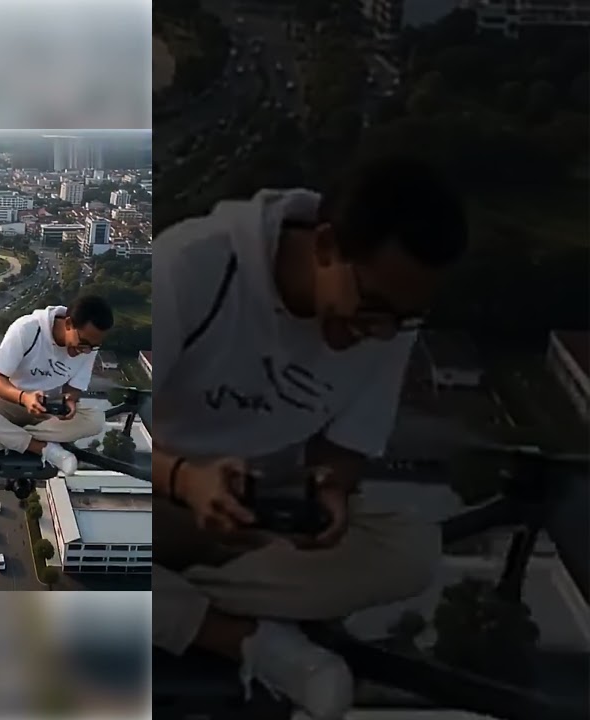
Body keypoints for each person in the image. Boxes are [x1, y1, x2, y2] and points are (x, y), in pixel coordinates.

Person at [151, 156, 468, 719]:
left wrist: (329, 492)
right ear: (325, 247)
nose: (379, 332)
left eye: (404, 318)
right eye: (372, 308)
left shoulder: (389, 319)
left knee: (412, 552)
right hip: (148, 493)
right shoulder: (191, 267)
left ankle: (154, 599)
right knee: (42, 516)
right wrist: (187, 480)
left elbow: (344, 447)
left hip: (256, 525)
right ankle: (246, 640)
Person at [0, 295, 113, 474]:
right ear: (68, 323)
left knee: (96, 420)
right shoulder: (27, 329)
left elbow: (74, 387)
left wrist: (69, 400)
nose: (85, 351)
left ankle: (1, 437)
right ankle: (44, 449)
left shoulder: (89, 348)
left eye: (93, 346)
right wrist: (24, 398)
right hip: (7, 404)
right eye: (83, 343)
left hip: (46, 412)